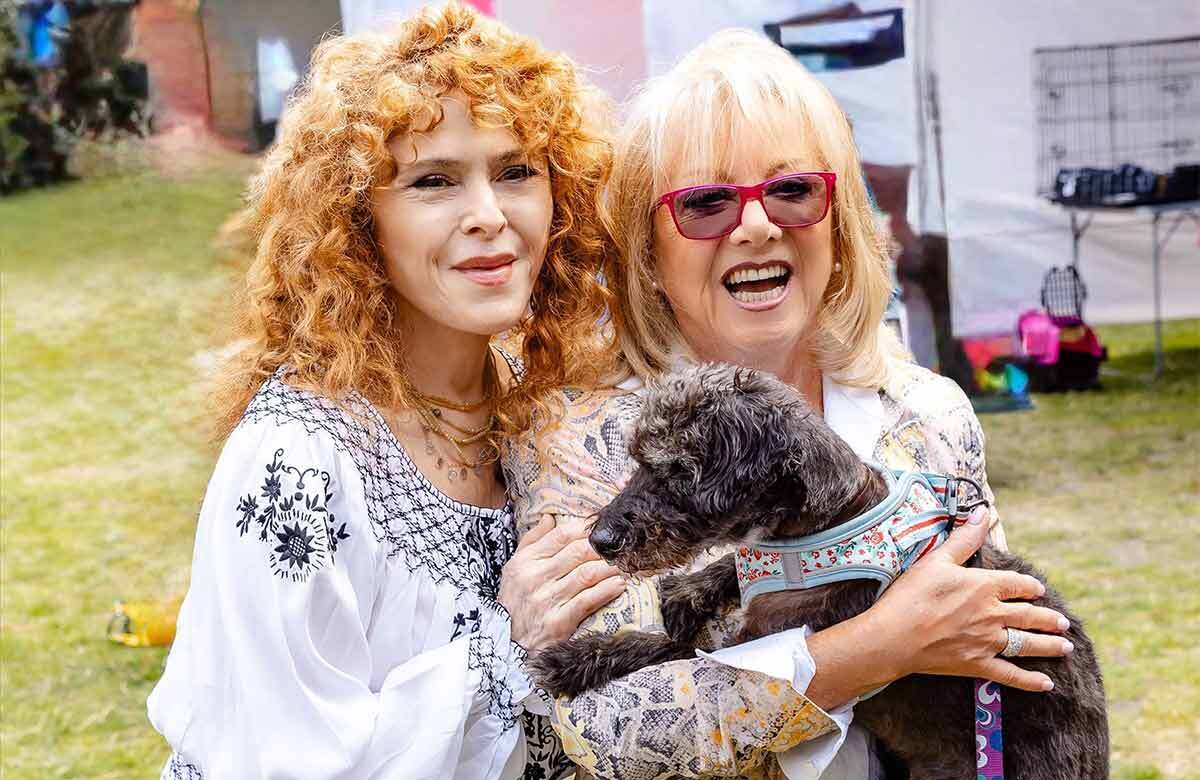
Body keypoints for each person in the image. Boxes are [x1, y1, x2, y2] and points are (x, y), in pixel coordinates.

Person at [500, 30, 1073, 779]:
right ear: (647, 249)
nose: (758, 224)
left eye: (792, 190)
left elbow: (995, 644)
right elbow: (607, 727)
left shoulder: (925, 412)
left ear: (836, 223)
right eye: (706, 203)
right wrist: (878, 648)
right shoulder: (581, 435)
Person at [146, 5, 625, 778]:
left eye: (516, 171)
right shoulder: (295, 463)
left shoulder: (542, 409)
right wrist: (508, 640)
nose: (489, 216)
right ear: (358, 222)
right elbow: (281, 761)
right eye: (433, 181)